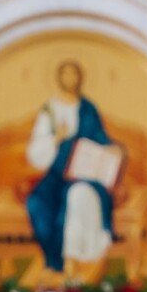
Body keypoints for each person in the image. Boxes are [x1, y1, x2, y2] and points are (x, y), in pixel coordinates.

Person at [23, 60, 118, 280]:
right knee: (36, 203)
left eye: (74, 74)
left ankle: (75, 262)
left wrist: (112, 149)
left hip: (84, 175)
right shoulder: (50, 110)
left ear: (80, 78)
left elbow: (101, 139)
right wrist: (56, 138)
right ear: (59, 78)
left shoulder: (88, 109)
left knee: (76, 196)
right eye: (65, 74)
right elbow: (35, 152)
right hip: (57, 173)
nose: (70, 79)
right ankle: (53, 261)